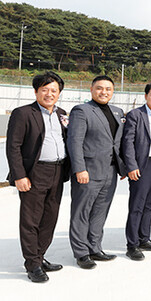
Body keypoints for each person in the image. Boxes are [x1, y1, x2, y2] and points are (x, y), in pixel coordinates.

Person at [6, 71, 70, 282]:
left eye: (54, 90)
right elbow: (13, 146)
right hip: (34, 172)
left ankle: (40, 257)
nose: (49, 94)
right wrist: (19, 176)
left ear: (59, 93)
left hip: (58, 171)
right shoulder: (23, 113)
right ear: (36, 91)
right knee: (31, 219)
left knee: (50, 218)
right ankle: (32, 264)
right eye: (45, 90)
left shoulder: (62, 113)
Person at [67, 75, 126, 269]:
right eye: (100, 88)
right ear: (92, 90)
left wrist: (123, 166)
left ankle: (95, 247)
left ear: (113, 91)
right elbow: (74, 142)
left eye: (108, 89)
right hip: (88, 171)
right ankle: (81, 252)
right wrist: (80, 169)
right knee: (81, 212)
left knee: (100, 212)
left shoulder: (117, 112)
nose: (104, 92)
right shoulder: (81, 111)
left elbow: (118, 143)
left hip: (110, 171)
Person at [121, 82, 151, 260]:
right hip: (142, 165)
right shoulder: (136, 115)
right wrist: (131, 166)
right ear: (146, 96)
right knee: (137, 205)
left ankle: (144, 238)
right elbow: (127, 142)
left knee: (150, 204)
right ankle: (132, 244)